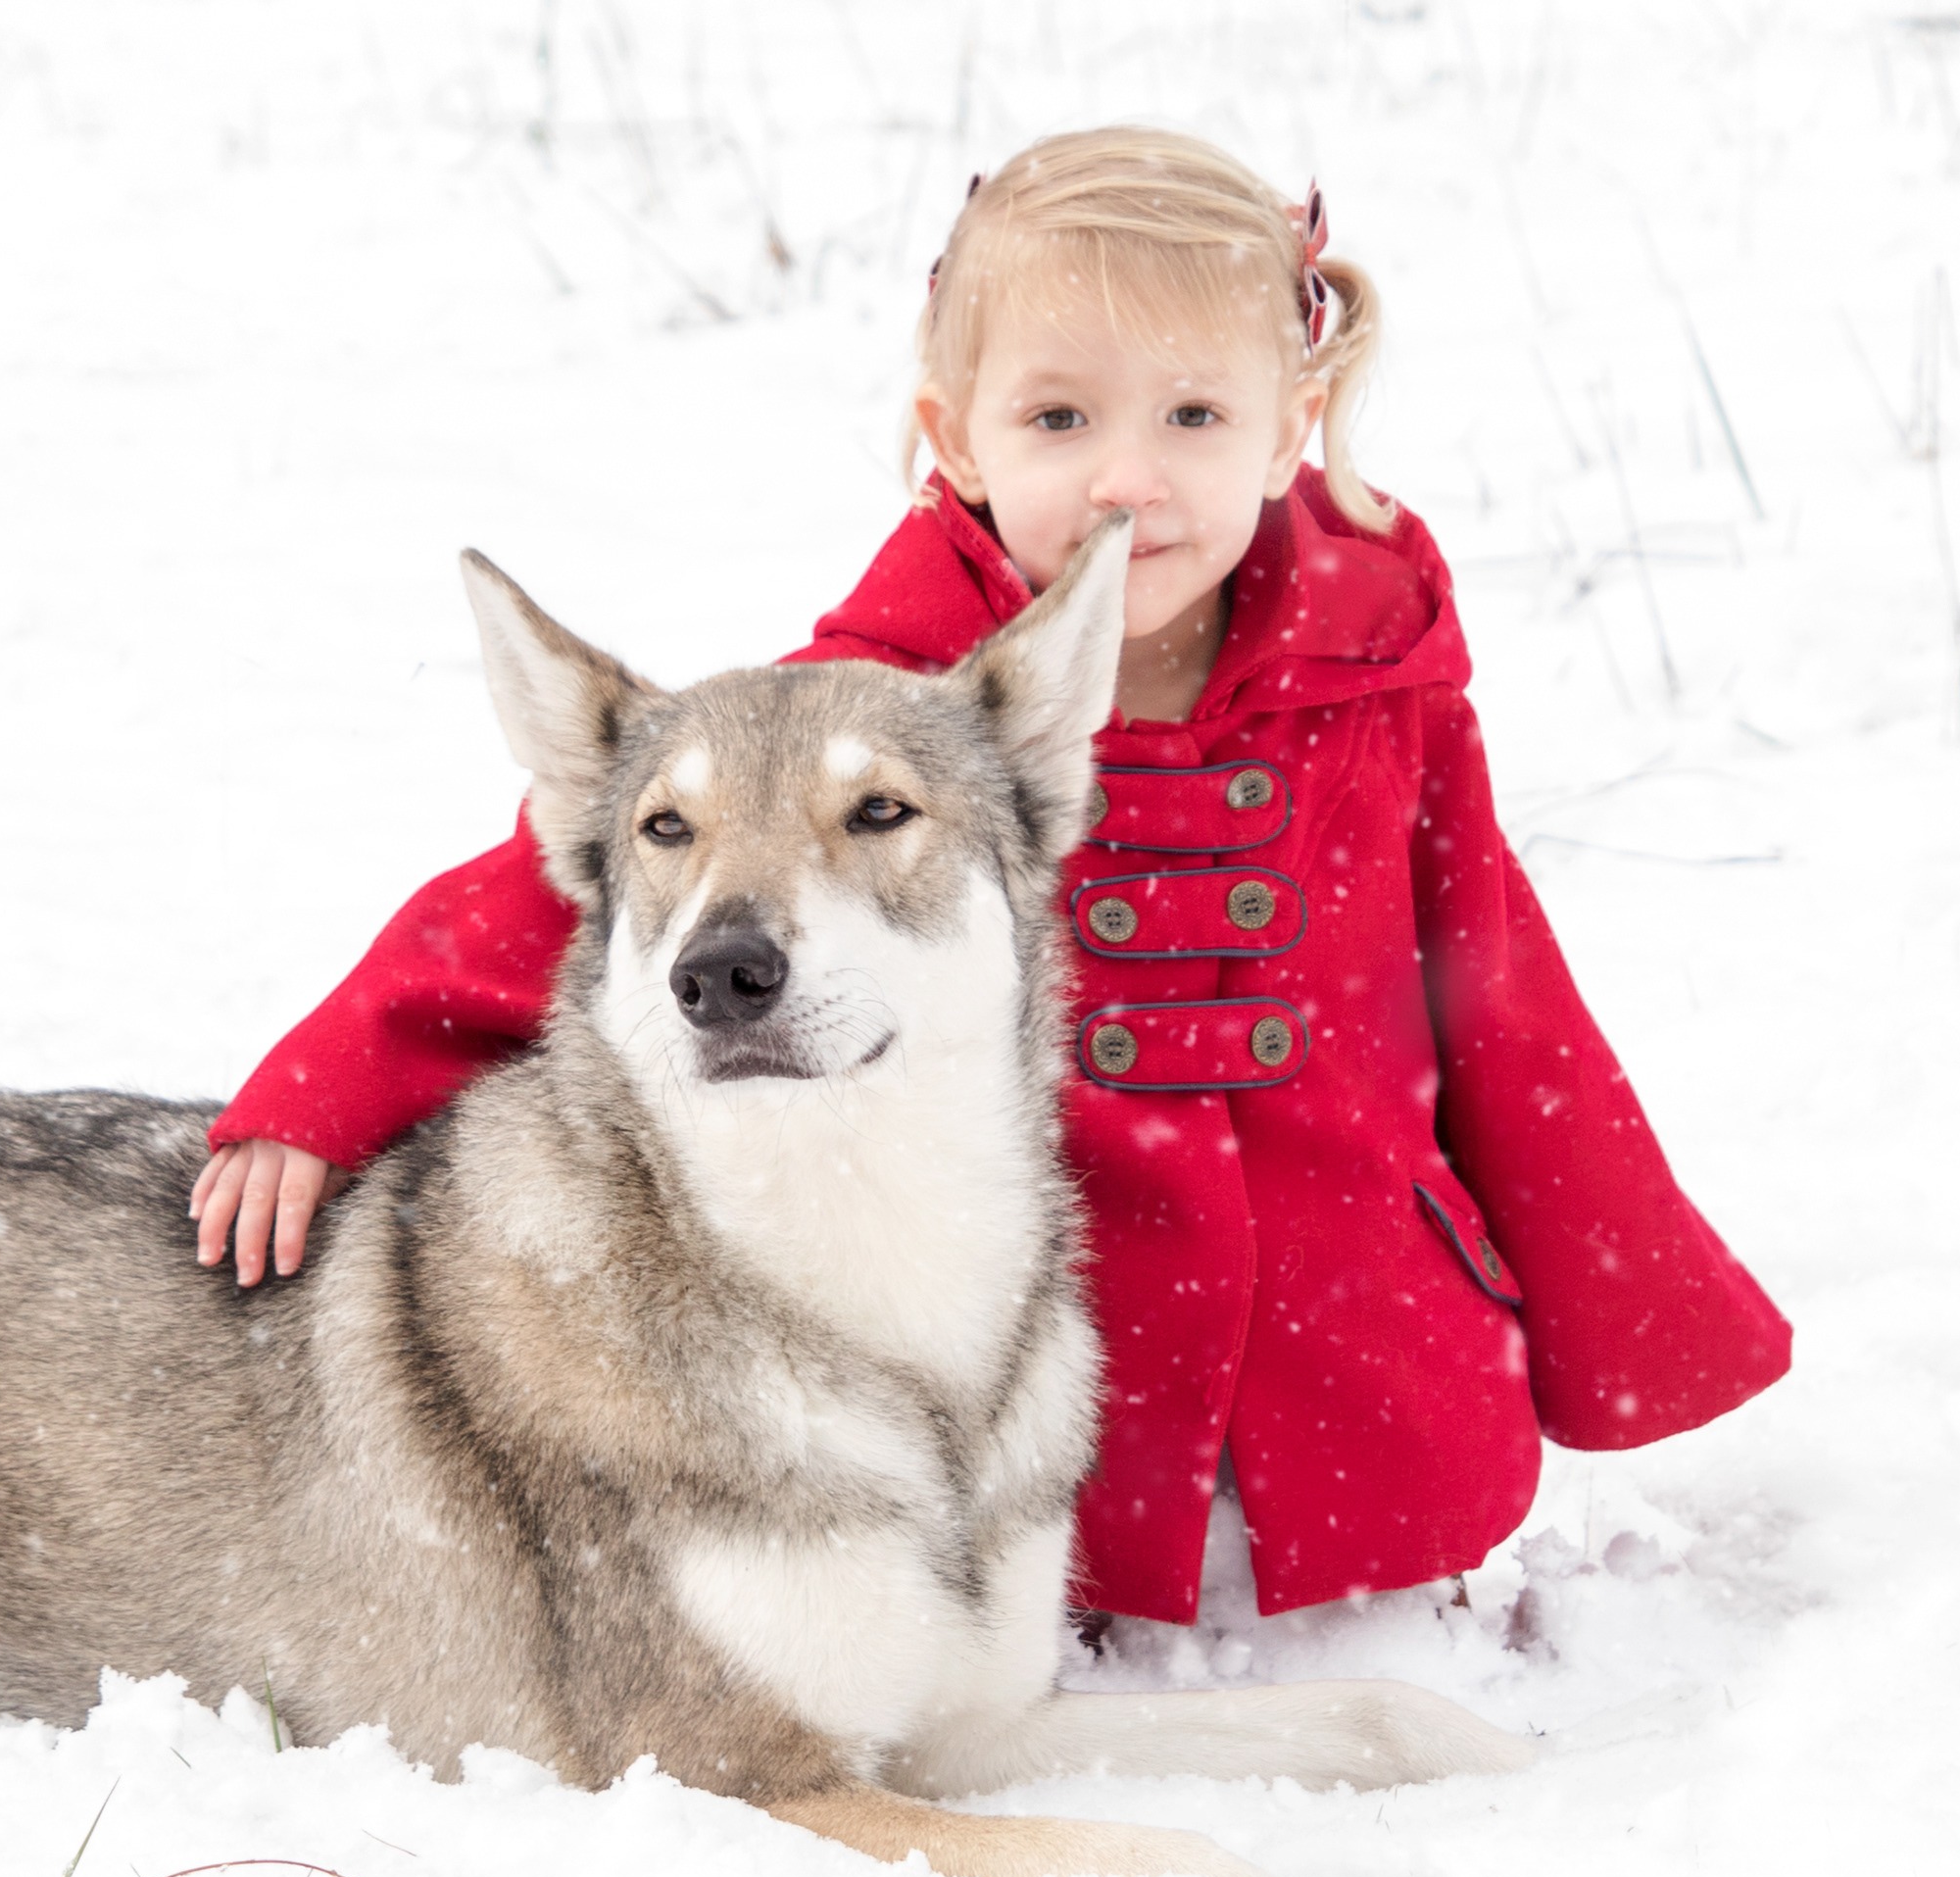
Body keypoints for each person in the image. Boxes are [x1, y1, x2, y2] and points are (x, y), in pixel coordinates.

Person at [189, 124, 1788, 1626]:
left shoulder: (1379, 685)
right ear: (954, 440)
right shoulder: (875, 709)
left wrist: (1625, 1306)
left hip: (1359, 1328)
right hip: (1090, 1363)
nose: (1126, 480)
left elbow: (1498, 994)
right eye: (1059, 420)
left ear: (1290, 426)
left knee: (1388, 1508)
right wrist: (324, 1089)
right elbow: (572, 889)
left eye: (1194, 418)